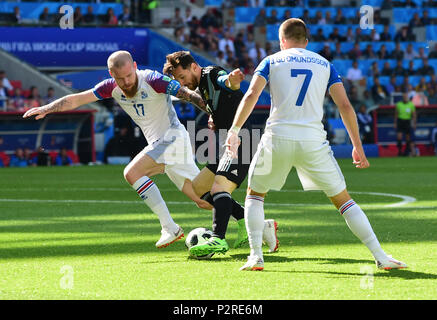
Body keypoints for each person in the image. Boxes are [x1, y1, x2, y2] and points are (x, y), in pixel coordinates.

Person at [225, 18, 407, 271]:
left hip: (277, 138)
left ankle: (256, 256)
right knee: (344, 201)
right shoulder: (325, 64)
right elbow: (344, 105)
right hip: (313, 141)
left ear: (282, 41)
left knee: (255, 194)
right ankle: (380, 256)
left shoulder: (271, 61)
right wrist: (357, 145)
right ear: (306, 41)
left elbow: (251, 95)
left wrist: (234, 130)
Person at [23, 50, 211, 249]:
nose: (127, 82)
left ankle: (170, 228)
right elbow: (76, 99)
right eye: (121, 78)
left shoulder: (153, 79)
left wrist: (212, 111)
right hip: (163, 144)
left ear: (135, 67)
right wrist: (46, 108)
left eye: (130, 75)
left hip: (172, 138)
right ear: (112, 75)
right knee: (202, 198)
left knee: (132, 173)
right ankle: (243, 221)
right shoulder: (110, 88)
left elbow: (188, 95)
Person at [163, 51, 278, 257]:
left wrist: (232, 81)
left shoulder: (210, 73)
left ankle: (218, 239)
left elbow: (225, 81)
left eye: (182, 77)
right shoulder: (203, 89)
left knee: (219, 188)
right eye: (178, 80)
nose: (182, 82)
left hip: (243, 139)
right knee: (198, 189)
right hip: (229, 143)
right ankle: (252, 222)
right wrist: (214, 117)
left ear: (194, 67)